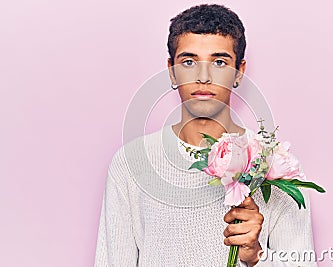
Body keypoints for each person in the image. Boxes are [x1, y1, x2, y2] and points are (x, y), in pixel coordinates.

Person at [94, 4, 317, 267]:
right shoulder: (131, 163)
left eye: (219, 62)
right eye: (188, 62)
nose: (203, 77)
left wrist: (256, 255)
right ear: (171, 70)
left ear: (239, 72)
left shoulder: (276, 166)